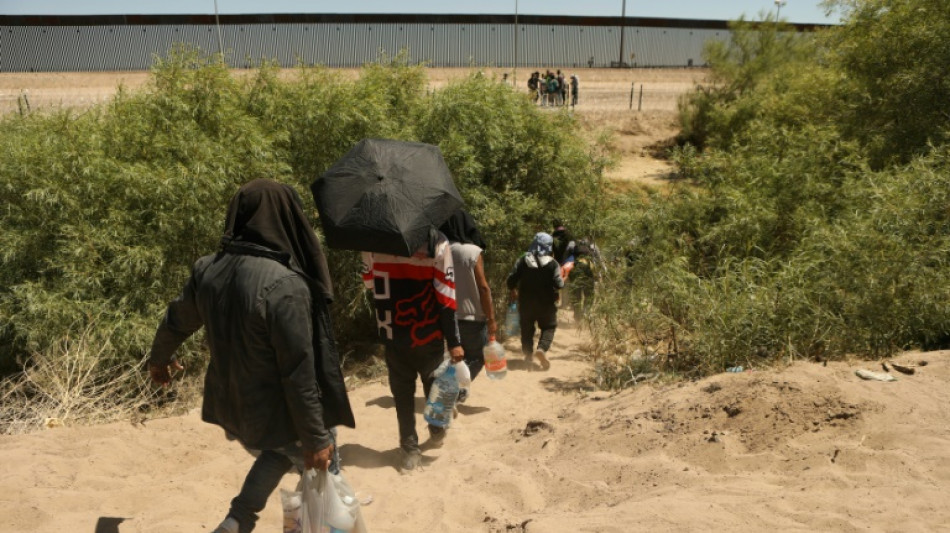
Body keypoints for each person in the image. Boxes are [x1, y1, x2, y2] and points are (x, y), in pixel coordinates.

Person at [147, 179, 355, 533]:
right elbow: (298, 371)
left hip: (239, 409)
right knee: (325, 482)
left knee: (279, 451)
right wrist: (316, 438)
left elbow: (177, 319)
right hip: (284, 410)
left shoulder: (208, 270)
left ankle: (237, 520)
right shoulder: (286, 285)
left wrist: (159, 359)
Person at [361, 229, 464, 472]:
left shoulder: (372, 239)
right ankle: (437, 430)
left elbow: (369, 283)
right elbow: (446, 295)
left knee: (402, 393)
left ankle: (409, 451)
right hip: (428, 331)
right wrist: (454, 341)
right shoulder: (437, 242)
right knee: (435, 384)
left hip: (392, 331)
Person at [438, 209, 496, 401]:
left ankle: (454, 392)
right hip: (471, 316)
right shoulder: (472, 251)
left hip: (445, 314)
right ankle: (453, 391)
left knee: (455, 357)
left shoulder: (438, 251)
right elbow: (483, 287)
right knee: (478, 357)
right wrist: (491, 319)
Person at [506, 232, 564, 371]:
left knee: (527, 329)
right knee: (549, 327)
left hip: (526, 304)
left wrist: (513, 288)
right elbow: (559, 284)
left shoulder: (523, 261)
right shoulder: (553, 264)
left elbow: (510, 280)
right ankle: (542, 349)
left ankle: (528, 355)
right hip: (546, 305)